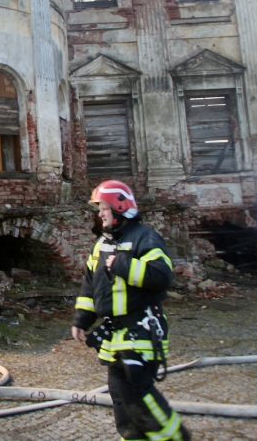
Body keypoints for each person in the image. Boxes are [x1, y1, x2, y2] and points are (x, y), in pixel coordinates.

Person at [71, 180, 190, 441]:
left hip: (142, 330)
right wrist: (82, 319)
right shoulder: (102, 243)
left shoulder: (145, 238)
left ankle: (174, 437)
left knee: (137, 392)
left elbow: (162, 276)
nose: (100, 213)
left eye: (104, 208)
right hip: (116, 335)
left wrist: (123, 264)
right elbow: (90, 285)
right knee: (121, 399)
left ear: (120, 208)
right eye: (99, 208)